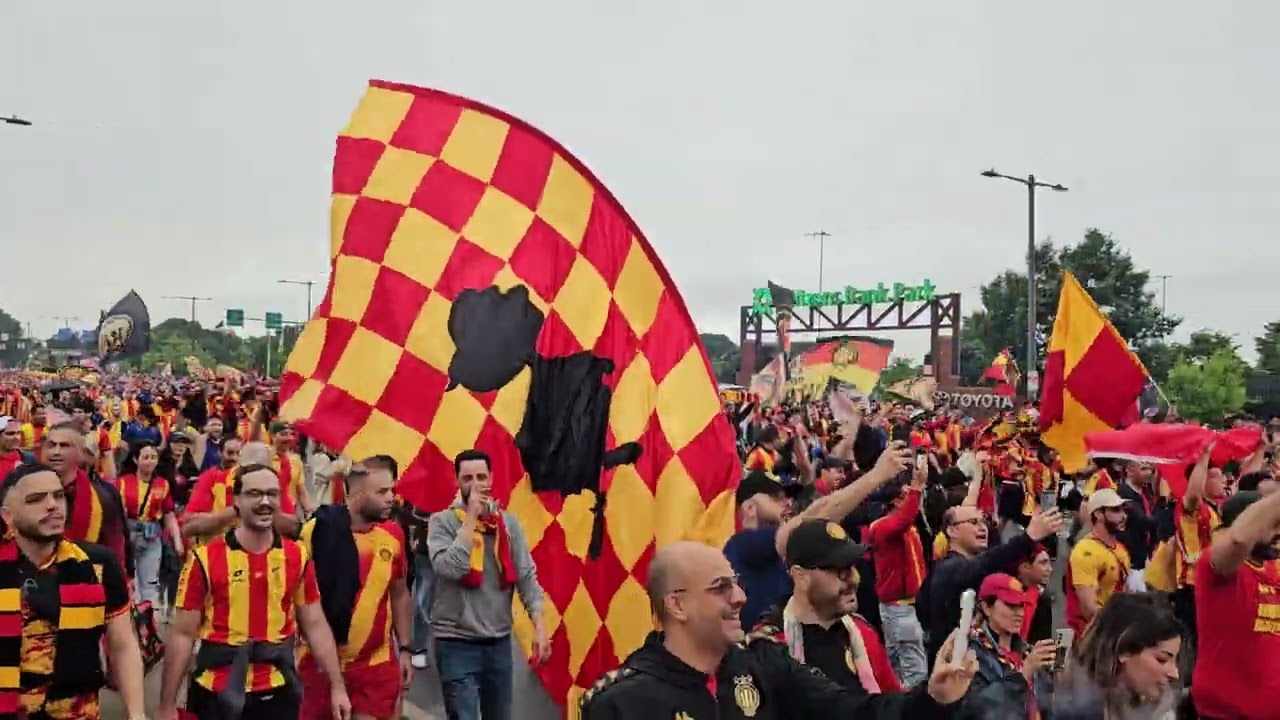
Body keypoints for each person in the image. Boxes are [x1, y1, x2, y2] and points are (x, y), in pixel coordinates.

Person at [579, 541, 977, 719]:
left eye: (735, 583)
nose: (738, 597)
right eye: (720, 588)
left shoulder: (764, 664)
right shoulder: (622, 702)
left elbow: (854, 711)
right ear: (676, 605)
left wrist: (933, 698)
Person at [155, 464, 352, 720]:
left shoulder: (297, 556)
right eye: (254, 494)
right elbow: (182, 634)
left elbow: (315, 624)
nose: (265, 501)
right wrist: (166, 705)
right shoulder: (204, 560)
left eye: (272, 494)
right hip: (215, 693)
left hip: (278, 692)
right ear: (236, 499)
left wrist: (337, 687)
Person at [0, 463, 146, 720]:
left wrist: (137, 714)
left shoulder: (98, 564)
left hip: (77, 712)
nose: (52, 505)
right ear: (8, 516)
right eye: (36, 500)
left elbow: (122, 645)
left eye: (58, 496)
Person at [426, 449, 548, 720]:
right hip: (455, 642)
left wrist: (539, 628)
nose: (475, 484)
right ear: (457, 481)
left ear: (491, 479)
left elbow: (527, 577)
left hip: (497, 642)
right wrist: (470, 517)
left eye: (481, 476)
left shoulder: (507, 525)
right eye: (467, 478)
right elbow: (450, 568)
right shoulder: (441, 522)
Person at [297, 455, 414, 720]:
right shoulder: (316, 531)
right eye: (382, 491)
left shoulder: (394, 535)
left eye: (392, 490)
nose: (391, 498)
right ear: (357, 493)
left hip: (376, 666)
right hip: (319, 667)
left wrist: (406, 649)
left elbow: (399, 592)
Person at [751, 519, 902, 695]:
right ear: (801, 576)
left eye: (853, 568)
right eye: (840, 571)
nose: (854, 579)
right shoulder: (770, 648)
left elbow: (893, 701)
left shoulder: (863, 633)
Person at [924, 504, 1062, 664]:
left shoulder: (971, 567)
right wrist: (1027, 538)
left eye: (985, 522)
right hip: (953, 670)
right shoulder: (949, 568)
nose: (983, 527)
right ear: (952, 530)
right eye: (974, 522)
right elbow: (985, 563)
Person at [1191, 489, 1280, 719]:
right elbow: (1239, 539)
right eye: (1272, 523)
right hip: (1226, 715)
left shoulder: (1273, 568)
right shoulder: (1218, 570)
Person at [1053, 593, 1182, 719]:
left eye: (1175, 660)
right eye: (1162, 660)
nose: (1175, 674)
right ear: (1124, 650)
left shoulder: (1161, 707)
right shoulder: (1076, 708)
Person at [960, 573, 1053, 719]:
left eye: (1022, 606)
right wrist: (1022, 676)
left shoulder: (1028, 653)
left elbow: (1049, 706)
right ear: (986, 608)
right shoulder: (970, 655)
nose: (1020, 614)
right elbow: (979, 711)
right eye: (1011, 605)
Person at [116, 442, 183, 605]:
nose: (150, 461)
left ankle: (148, 622)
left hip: (152, 537)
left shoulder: (163, 484)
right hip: (128, 536)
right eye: (145, 457)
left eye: (153, 457)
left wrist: (177, 541)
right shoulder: (123, 482)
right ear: (135, 460)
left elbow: (168, 514)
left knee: (150, 583)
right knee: (128, 582)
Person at [1065, 489, 1131, 634]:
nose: (1123, 516)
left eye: (1123, 510)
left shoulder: (1120, 549)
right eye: (1116, 510)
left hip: (1112, 632)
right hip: (1088, 636)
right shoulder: (1085, 551)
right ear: (1098, 514)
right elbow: (1088, 607)